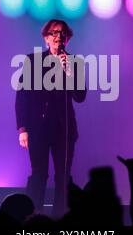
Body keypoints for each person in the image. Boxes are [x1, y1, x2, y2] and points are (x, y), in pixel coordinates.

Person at [15, 19, 86, 217]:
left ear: (68, 39)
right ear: (46, 38)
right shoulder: (33, 61)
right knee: (39, 174)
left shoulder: (75, 63)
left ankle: (61, 216)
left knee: (63, 177)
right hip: (38, 128)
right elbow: (22, 97)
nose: (58, 37)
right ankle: (31, 215)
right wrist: (22, 129)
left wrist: (68, 71)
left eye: (62, 33)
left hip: (64, 130)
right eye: (54, 33)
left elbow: (80, 96)